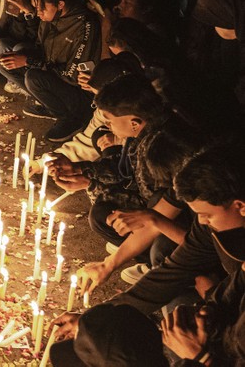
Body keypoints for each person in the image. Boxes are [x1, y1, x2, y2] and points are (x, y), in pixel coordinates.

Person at [49, 141, 245, 366]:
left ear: (240, 206)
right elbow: (176, 269)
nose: (201, 222)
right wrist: (97, 327)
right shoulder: (215, 227)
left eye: (206, 215)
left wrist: (201, 358)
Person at [67, 74, 199, 289]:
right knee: (105, 214)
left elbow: (159, 214)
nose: (108, 127)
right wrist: (88, 176)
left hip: (188, 229)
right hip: (167, 210)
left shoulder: (167, 151)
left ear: (134, 123)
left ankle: (165, 268)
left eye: (110, 121)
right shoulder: (147, 135)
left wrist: (110, 264)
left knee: (162, 246)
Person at [0, 0, 100, 142]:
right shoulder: (49, 18)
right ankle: (48, 104)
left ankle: (70, 117)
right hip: (53, 73)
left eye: (42, 8)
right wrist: (22, 58)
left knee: (33, 78)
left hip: (78, 91)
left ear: (60, 4)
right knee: (6, 60)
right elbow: (41, 49)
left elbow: (72, 76)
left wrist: (28, 62)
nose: (38, 14)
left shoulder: (84, 25)